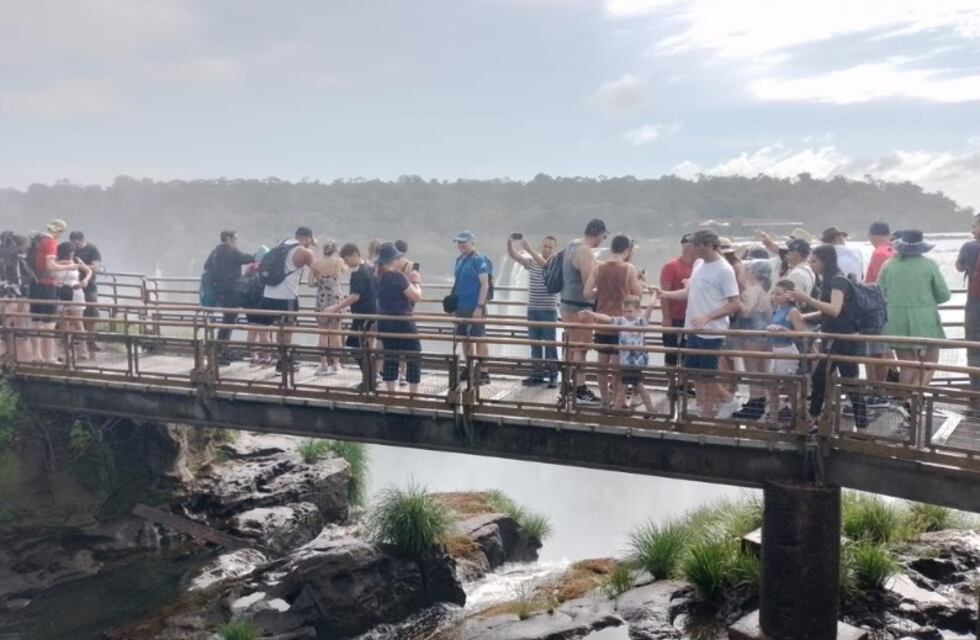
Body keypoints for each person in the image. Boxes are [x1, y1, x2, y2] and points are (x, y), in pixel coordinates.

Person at [657, 229, 742, 418]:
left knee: (707, 373)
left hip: (711, 330)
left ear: (707, 245)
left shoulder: (724, 269)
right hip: (693, 326)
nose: (692, 249)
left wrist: (709, 316)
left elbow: (735, 303)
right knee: (692, 369)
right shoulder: (698, 264)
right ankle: (703, 404)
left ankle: (726, 400)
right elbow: (690, 293)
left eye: (696, 245)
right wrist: (666, 295)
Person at [787, 244, 868, 432]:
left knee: (846, 380)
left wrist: (807, 299)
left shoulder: (837, 281)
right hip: (835, 336)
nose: (811, 264)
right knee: (823, 378)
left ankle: (859, 423)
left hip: (844, 339)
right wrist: (805, 316)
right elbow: (829, 310)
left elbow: (834, 309)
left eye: (814, 261)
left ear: (825, 261)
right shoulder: (828, 279)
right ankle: (815, 419)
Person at [878, 230, 950, 391]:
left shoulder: (888, 265)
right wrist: (926, 300)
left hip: (896, 318)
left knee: (907, 365)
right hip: (925, 318)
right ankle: (916, 396)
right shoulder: (929, 264)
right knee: (930, 361)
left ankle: (906, 400)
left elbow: (879, 293)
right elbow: (944, 295)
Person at [584, 234, 643, 407]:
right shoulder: (629, 269)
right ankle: (619, 399)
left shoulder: (598, 267)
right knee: (617, 366)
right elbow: (638, 295)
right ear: (626, 250)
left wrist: (600, 292)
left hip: (601, 323)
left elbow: (587, 293)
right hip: (620, 324)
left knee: (602, 364)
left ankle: (604, 398)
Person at [578, 295, 657, 412]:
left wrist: (655, 295)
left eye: (630, 311)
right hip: (625, 361)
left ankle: (626, 408)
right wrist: (592, 314)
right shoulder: (621, 321)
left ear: (638, 311)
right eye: (624, 311)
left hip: (636, 362)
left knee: (634, 386)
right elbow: (607, 318)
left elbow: (650, 307)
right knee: (629, 386)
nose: (627, 313)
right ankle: (643, 409)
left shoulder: (641, 322)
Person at [257, 227, 317, 374]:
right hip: (287, 297)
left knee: (278, 329)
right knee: (287, 331)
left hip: (269, 294)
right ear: (307, 238)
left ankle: (282, 360)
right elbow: (319, 269)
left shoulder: (283, 244)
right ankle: (283, 363)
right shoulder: (305, 252)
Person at [560, 218, 607, 405]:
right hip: (580, 307)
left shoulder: (571, 245)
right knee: (581, 348)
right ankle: (580, 389)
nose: (603, 240)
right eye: (604, 236)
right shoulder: (585, 250)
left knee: (571, 347)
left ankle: (566, 385)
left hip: (566, 303)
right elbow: (589, 284)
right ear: (599, 233)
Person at [506, 233, 559, 388]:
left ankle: (553, 376)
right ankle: (537, 375)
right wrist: (510, 242)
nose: (547, 249)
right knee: (535, 344)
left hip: (548, 310)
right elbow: (513, 255)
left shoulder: (555, 263)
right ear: (540, 247)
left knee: (550, 345)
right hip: (533, 308)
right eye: (545, 246)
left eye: (550, 247)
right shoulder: (531, 263)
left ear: (555, 249)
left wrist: (528, 248)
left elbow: (545, 265)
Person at [375, 242, 423, 394]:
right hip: (403, 321)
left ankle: (391, 392)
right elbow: (416, 296)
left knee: (390, 355)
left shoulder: (377, 277)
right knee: (414, 354)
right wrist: (416, 282)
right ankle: (413, 393)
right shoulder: (398, 277)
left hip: (385, 321)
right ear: (393, 260)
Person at [329, 243, 378, 389]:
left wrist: (335, 308)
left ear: (354, 255)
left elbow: (355, 296)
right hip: (369, 314)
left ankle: (370, 381)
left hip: (364, 316)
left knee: (356, 345)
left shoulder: (359, 272)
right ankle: (370, 379)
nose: (346, 263)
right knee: (364, 347)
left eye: (346, 259)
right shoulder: (369, 268)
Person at [202, 230, 255, 365]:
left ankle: (221, 351)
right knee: (228, 322)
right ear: (228, 238)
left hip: (220, 292)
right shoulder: (231, 251)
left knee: (227, 321)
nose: (237, 241)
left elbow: (206, 266)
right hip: (231, 292)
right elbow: (248, 258)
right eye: (235, 238)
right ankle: (220, 353)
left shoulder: (215, 252)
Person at [29, 219, 78, 364]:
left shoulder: (38, 241)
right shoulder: (50, 242)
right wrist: (68, 267)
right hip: (48, 286)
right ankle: (49, 357)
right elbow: (50, 267)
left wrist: (59, 264)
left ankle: (36, 356)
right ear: (59, 231)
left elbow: (43, 264)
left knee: (36, 322)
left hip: (35, 285)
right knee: (49, 323)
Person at [731, 260, 774, 421]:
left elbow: (747, 312)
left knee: (752, 370)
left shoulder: (752, 291)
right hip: (764, 334)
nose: (745, 271)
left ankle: (755, 403)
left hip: (751, 334)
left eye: (747, 269)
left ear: (754, 274)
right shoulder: (764, 290)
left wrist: (736, 303)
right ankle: (760, 401)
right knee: (762, 370)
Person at [451, 231, 492, 384]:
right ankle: (468, 368)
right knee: (465, 339)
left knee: (479, 338)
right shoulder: (459, 259)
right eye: (459, 242)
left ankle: (483, 372)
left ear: (472, 243)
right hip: (460, 307)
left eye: (464, 242)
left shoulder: (478, 260)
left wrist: (479, 307)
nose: (461, 245)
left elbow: (484, 284)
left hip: (475, 306)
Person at [863, 221, 897, 399]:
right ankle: (891, 379)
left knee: (875, 350)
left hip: (877, 306)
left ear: (874, 235)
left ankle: (876, 390)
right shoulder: (894, 251)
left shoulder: (879, 253)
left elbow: (875, 283)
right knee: (885, 347)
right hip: (893, 305)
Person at [766, 280, 808, 424]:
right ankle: (773, 417)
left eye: (778, 294)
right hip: (775, 350)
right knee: (772, 385)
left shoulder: (793, 311)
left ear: (789, 295)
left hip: (787, 350)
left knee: (790, 387)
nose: (774, 297)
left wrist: (784, 330)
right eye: (774, 294)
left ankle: (797, 417)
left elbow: (801, 334)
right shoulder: (776, 309)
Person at [310, 240, 346, 376]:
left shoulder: (315, 263)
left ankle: (324, 364)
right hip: (336, 298)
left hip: (322, 298)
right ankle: (336, 365)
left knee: (323, 333)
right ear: (335, 250)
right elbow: (346, 269)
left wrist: (321, 282)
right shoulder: (339, 262)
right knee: (336, 332)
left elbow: (309, 283)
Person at [659, 235, 695, 372]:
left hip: (691, 318)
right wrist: (666, 317)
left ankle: (682, 383)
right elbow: (664, 294)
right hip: (674, 317)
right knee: (671, 354)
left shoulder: (698, 267)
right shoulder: (670, 266)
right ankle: (671, 384)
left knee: (687, 353)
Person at [53, 241, 93, 361]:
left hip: (75, 291)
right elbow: (49, 273)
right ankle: (67, 351)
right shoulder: (55, 262)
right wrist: (61, 264)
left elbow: (88, 271)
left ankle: (83, 351)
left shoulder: (76, 260)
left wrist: (85, 280)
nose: (71, 254)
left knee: (78, 322)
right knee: (63, 323)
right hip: (61, 292)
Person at [956, 213, 980, 402]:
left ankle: (976, 396)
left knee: (974, 349)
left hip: (976, 305)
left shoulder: (970, 247)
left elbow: (959, 267)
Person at [0, 233, 35, 361]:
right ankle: (11, 351)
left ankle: (8, 350)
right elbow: (21, 275)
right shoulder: (17, 257)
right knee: (10, 318)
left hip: (3, 289)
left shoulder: (4, 254)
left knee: (6, 318)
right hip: (12, 289)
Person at [69, 231, 103, 352]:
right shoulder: (70, 250)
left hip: (89, 286)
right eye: (73, 242)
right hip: (72, 285)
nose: (76, 244)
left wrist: (82, 266)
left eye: (77, 241)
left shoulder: (92, 249)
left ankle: (91, 341)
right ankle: (76, 339)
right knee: (74, 314)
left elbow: (97, 267)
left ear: (82, 240)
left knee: (91, 314)